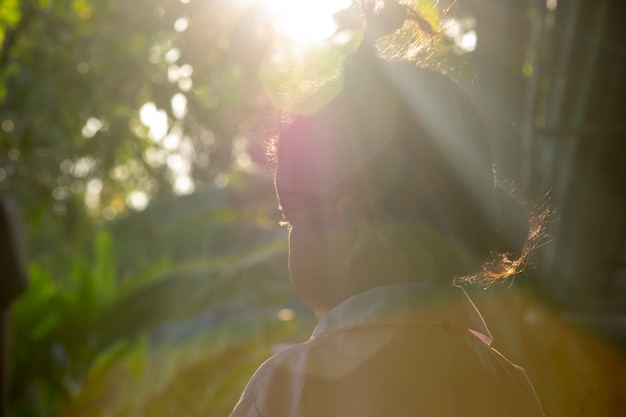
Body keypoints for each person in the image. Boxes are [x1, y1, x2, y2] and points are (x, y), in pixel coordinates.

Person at [230, 1, 546, 415]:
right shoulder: (509, 386)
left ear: (354, 226)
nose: (290, 239)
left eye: (293, 219)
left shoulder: (285, 389)